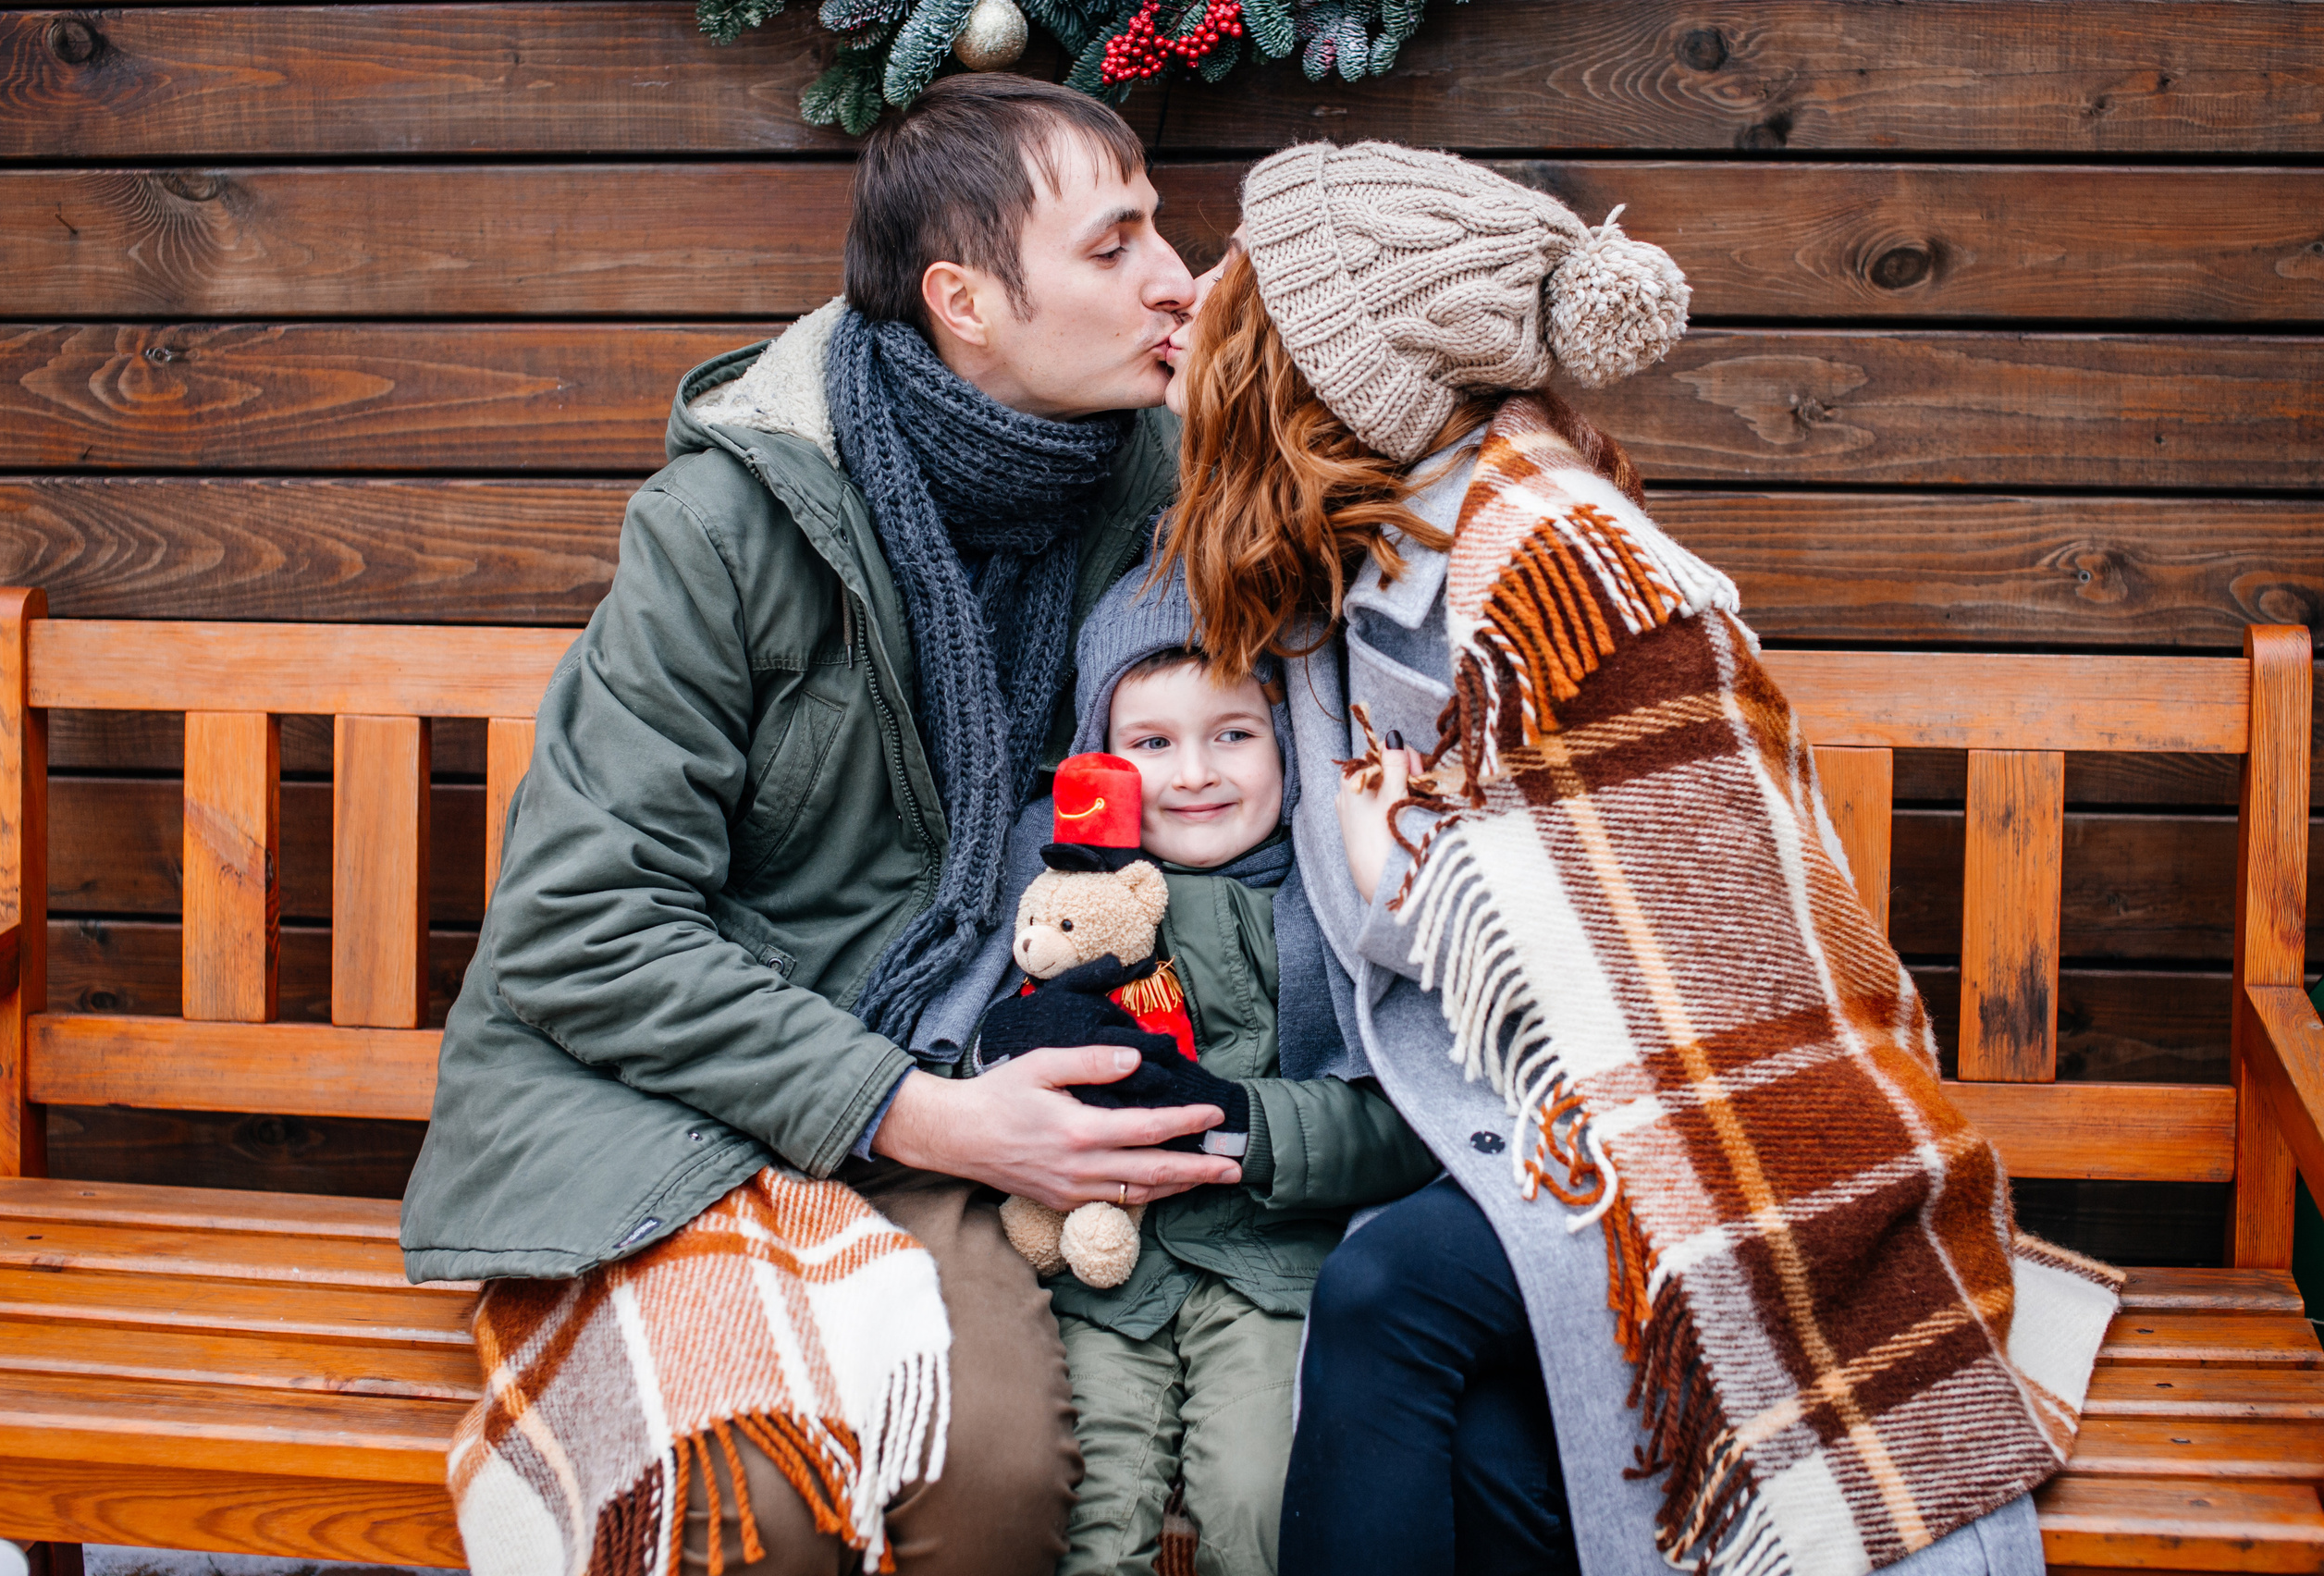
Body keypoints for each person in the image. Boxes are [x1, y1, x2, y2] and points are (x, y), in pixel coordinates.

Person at [1154, 143, 2085, 1576]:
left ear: (1329, 351)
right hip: (1534, 1126)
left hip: (1726, 1140)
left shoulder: (1567, 576)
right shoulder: (1374, 566)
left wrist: (1412, 871)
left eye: (1238, 265)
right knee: (1473, 1443)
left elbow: (1714, 970)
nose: (1198, 286)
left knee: (1392, 1292)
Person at [400, 77, 1248, 1576]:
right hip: (674, 1098)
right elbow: (578, 924)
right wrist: (924, 1112)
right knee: (753, 1500)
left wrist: (1252, 453)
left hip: (967, 1078)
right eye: (1117, 246)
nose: (1177, 278)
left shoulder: (1164, 484)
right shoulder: (734, 523)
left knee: (986, 1485)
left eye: (1160, 234)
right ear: (965, 301)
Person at [928, 563, 1438, 1576]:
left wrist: (1237, 1121)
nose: (1195, 773)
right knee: (1089, 1513)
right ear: (1097, 765)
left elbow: (1404, 1116)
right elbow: (968, 1045)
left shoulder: (1332, 897)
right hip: (1095, 1277)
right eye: (1151, 744)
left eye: (1233, 735)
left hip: (1270, 1269)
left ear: (1288, 743)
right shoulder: (1050, 889)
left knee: (1261, 1503)